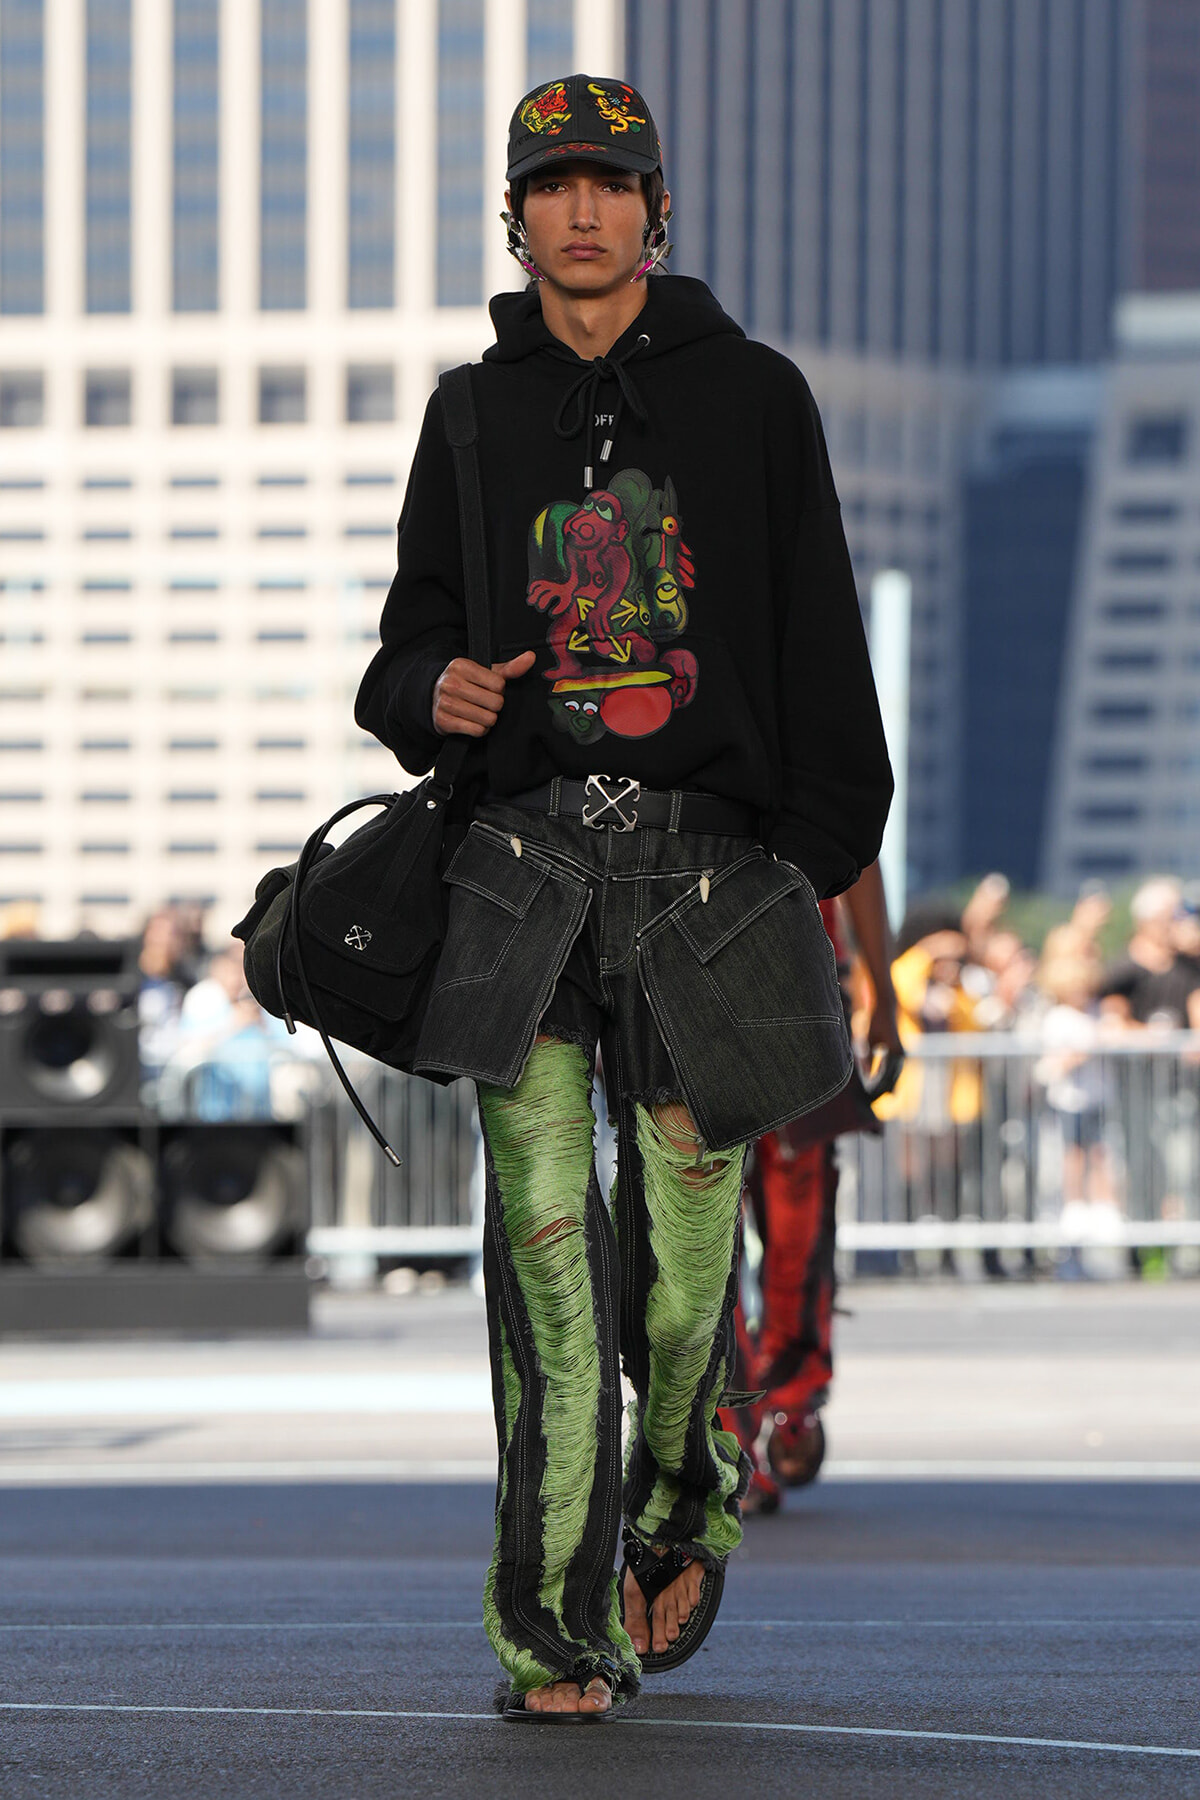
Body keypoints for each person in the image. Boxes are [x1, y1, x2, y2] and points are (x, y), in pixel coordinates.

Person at [355, 72, 892, 1719]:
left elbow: (821, 652)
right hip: (519, 879)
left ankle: (684, 1491)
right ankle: (550, 1630)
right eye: (551, 184)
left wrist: (800, 868)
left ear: (657, 210)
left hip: (708, 875)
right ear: (513, 218)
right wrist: (430, 686)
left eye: (610, 182)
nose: (580, 210)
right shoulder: (468, 411)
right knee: (542, 1271)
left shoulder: (755, 398)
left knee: (679, 1261)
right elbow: (403, 649)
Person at [722, 861, 902, 1515]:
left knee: (797, 1231)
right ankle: (739, 1421)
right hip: (704, 1000)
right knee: (706, 1235)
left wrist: (883, 991)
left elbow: (859, 850)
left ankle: (781, 1406)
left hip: (802, 1004)